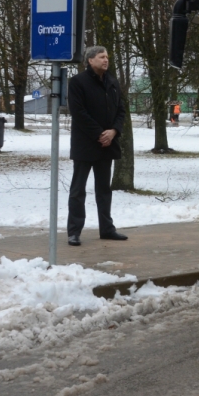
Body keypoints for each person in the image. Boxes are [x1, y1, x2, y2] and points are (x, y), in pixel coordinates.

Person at [66, 45, 128, 246]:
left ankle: (107, 229)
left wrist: (113, 132)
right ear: (90, 60)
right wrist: (99, 134)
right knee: (78, 191)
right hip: (85, 145)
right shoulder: (77, 82)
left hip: (107, 145)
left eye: (107, 56)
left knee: (104, 190)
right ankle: (74, 232)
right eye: (101, 57)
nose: (106, 60)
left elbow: (121, 110)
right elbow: (78, 112)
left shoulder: (112, 81)